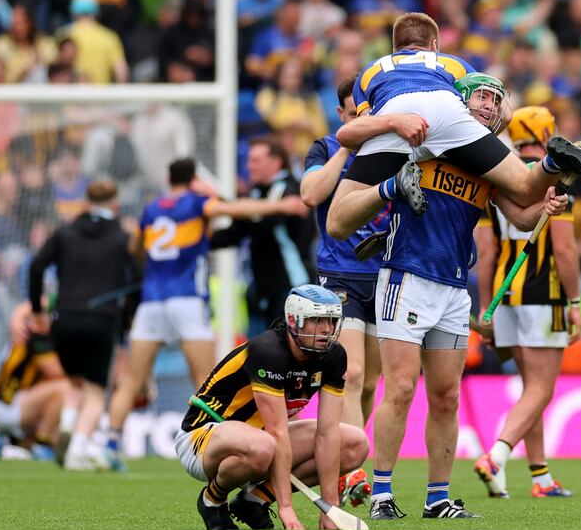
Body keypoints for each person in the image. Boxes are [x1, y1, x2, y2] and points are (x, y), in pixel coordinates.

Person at [334, 71, 569, 520]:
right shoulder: (426, 140)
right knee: (400, 388)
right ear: (461, 101)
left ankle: (437, 497)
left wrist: (548, 207)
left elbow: (521, 216)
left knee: (446, 396)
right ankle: (382, 494)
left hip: (454, 287)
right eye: (480, 95)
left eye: (495, 99)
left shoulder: (489, 161)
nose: (487, 104)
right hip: (407, 276)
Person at [326, 12, 581, 243]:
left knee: (337, 224)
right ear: (435, 46)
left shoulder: (373, 69)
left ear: (394, 49)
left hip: (397, 115)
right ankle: (552, 162)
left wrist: (394, 122)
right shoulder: (453, 63)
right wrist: (470, 144)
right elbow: (506, 114)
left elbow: (354, 132)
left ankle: (391, 187)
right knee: (527, 186)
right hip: (449, 114)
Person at [103, 158, 308, 470]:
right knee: (205, 378)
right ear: (193, 178)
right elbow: (239, 211)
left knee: (132, 380)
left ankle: (110, 444)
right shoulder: (199, 203)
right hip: (186, 301)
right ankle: (214, 440)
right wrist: (281, 206)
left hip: (151, 302)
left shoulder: (152, 208)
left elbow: (135, 247)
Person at [175, 284, 369, 530]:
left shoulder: (333, 356)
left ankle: (254, 501)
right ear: (293, 320)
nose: (326, 330)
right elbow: (278, 432)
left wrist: (330, 507)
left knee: (354, 443)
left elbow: (327, 432)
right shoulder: (268, 351)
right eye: (316, 321)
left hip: (264, 439)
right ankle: (212, 500)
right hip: (203, 436)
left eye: (331, 322)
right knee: (264, 446)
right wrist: (286, 509)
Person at [473, 106, 581, 499]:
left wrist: (486, 308)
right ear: (550, 132)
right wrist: (575, 301)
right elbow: (565, 250)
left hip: (505, 297)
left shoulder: (499, 177)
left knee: (528, 388)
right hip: (542, 294)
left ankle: (540, 477)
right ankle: (496, 457)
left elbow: (485, 255)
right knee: (541, 389)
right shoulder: (557, 179)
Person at [300, 73, 390, 507]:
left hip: (388, 275)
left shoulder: (395, 147)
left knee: (371, 383)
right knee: (351, 374)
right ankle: (352, 472)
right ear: (342, 115)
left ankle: (347, 450)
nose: (365, 117)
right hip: (341, 276)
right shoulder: (325, 149)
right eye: (356, 112)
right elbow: (310, 194)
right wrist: (349, 145)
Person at [28, 181, 137, 470]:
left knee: (75, 380)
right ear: (114, 204)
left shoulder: (65, 232)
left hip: (63, 319)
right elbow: (138, 279)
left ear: (86, 202)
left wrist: (38, 310)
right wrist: (126, 320)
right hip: (101, 319)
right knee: (95, 391)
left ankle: (66, 423)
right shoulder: (122, 237)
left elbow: (36, 265)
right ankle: (77, 448)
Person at [211, 136, 316, 336]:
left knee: (286, 355)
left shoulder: (287, 188)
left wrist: (219, 204)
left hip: (292, 286)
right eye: (249, 160)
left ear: (276, 162)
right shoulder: (257, 193)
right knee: (260, 355)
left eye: (255, 160)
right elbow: (235, 232)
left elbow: (262, 220)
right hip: (263, 289)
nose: (249, 166)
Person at [0, 301, 72, 461]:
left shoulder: (31, 334)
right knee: (66, 387)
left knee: (62, 395)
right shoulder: (36, 338)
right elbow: (58, 373)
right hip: (7, 405)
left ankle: (12, 446)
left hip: (10, 404)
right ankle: (43, 443)